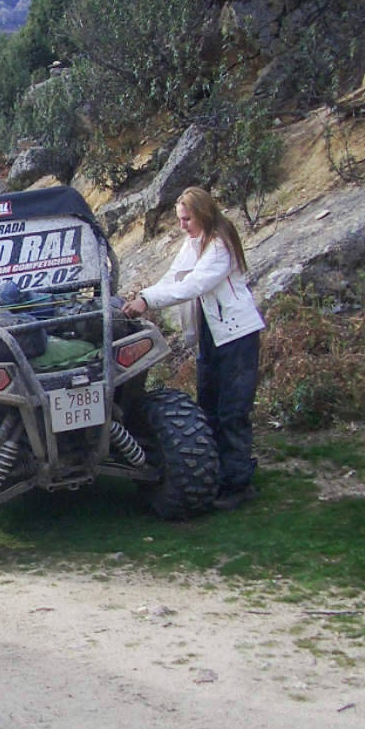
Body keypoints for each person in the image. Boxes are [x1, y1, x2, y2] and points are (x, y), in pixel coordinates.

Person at [123, 186, 265, 511]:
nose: (183, 225)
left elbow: (193, 285)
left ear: (201, 213)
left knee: (233, 412)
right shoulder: (194, 243)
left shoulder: (219, 245)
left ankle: (238, 484)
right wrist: (142, 295)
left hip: (237, 336)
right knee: (209, 408)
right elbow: (174, 277)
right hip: (212, 335)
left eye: (187, 219)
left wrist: (148, 301)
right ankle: (218, 476)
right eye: (180, 219)